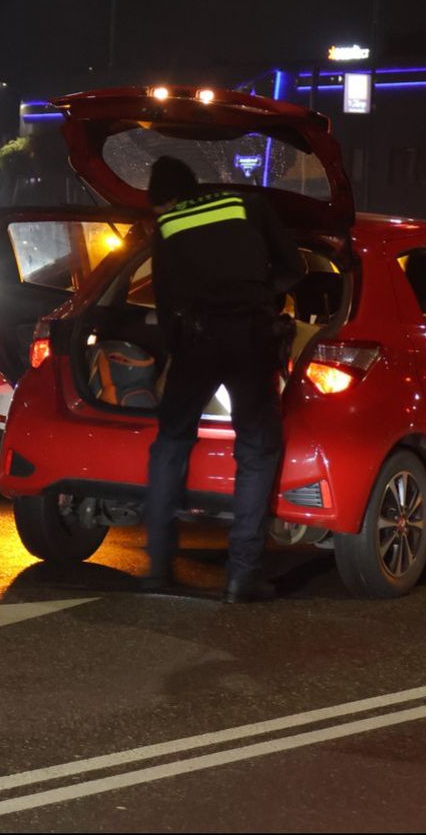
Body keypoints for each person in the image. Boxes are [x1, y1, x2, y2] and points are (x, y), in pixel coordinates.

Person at [141, 156, 306, 603]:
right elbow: (294, 268)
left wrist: (173, 358)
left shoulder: (168, 227)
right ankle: (242, 577)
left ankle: (157, 568)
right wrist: (255, 294)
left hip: (196, 339)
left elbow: (166, 302)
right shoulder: (248, 205)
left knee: (171, 441)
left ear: (166, 199)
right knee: (256, 448)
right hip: (251, 338)